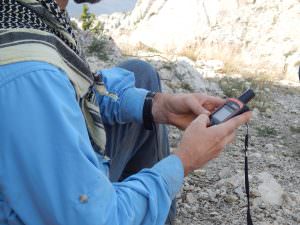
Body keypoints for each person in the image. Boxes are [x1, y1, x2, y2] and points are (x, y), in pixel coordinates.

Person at [0, 0, 252, 224]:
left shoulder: (27, 15)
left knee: (141, 75)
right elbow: (92, 220)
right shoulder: (32, 74)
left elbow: (80, 87)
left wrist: (159, 105)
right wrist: (184, 160)